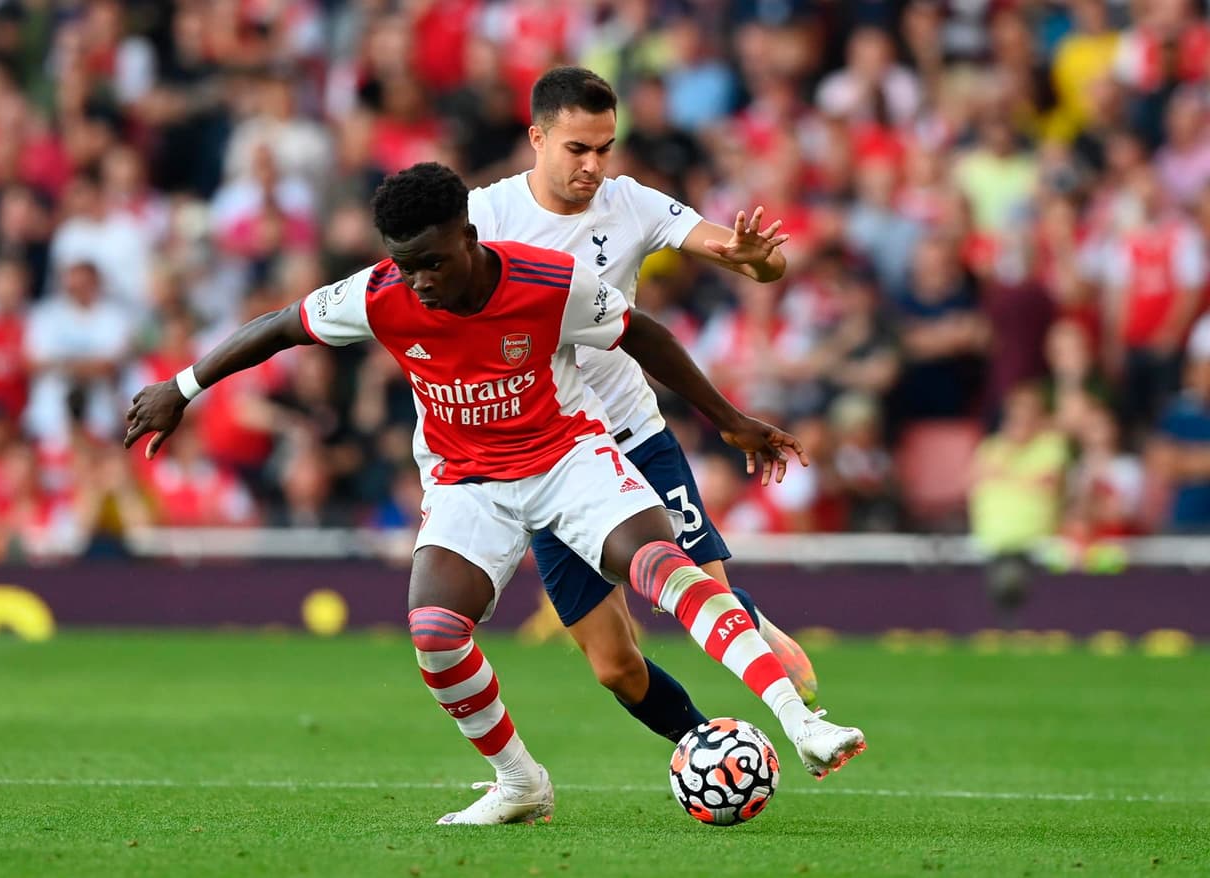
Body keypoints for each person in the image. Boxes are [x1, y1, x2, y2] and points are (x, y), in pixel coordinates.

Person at [125, 163, 866, 826]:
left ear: (470, 235)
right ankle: (520, 785)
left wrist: (730, 421)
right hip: (466, 481)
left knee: (661, 567)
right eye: (407, 264)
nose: (421, 280)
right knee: (435, 633)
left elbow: (645, 336)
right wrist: (182, 387)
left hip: (566, 459)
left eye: (435, 262)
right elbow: (281, 326)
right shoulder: (382, 294)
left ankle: (799, 724)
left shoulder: (546, 283)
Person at [468, 66, 819, 743]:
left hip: (633, 433)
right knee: (614, 665)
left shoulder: (631, 204)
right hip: (548, 453)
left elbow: (753, 259)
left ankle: (785, 721)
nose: (595, 165)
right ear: (537, 139)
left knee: (700, 601)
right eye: (578, 149)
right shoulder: (487, 215)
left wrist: (755, 259)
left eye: (606, 147)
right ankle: (701, 742)